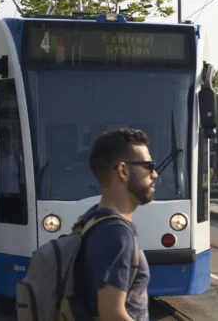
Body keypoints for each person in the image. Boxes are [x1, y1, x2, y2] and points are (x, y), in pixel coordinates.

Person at [75, 128, 155, 321]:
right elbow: (112, 314)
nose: (155, 174)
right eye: (148, 166)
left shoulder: (92, 218)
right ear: (123, 171)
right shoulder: (115, 233)